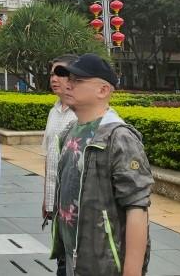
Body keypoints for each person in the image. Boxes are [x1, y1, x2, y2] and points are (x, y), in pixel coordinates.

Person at [51, 53, 154, 276]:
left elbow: (137, 209)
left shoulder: (119, 137)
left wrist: (132, 272)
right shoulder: (70, 133)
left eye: (77, 81)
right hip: (72, 260)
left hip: (105, 265)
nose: (67, 85)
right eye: (67, 79)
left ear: (103, 90)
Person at [41, 54, 79, 276]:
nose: (54, 78)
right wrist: (46, 199)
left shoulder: (82, 114)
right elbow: (50, 156)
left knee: (72, 261)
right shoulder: (53, 112)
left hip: (75, 207)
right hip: (56, 206)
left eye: (60, 73)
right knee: (61, 258)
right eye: (52, 73)